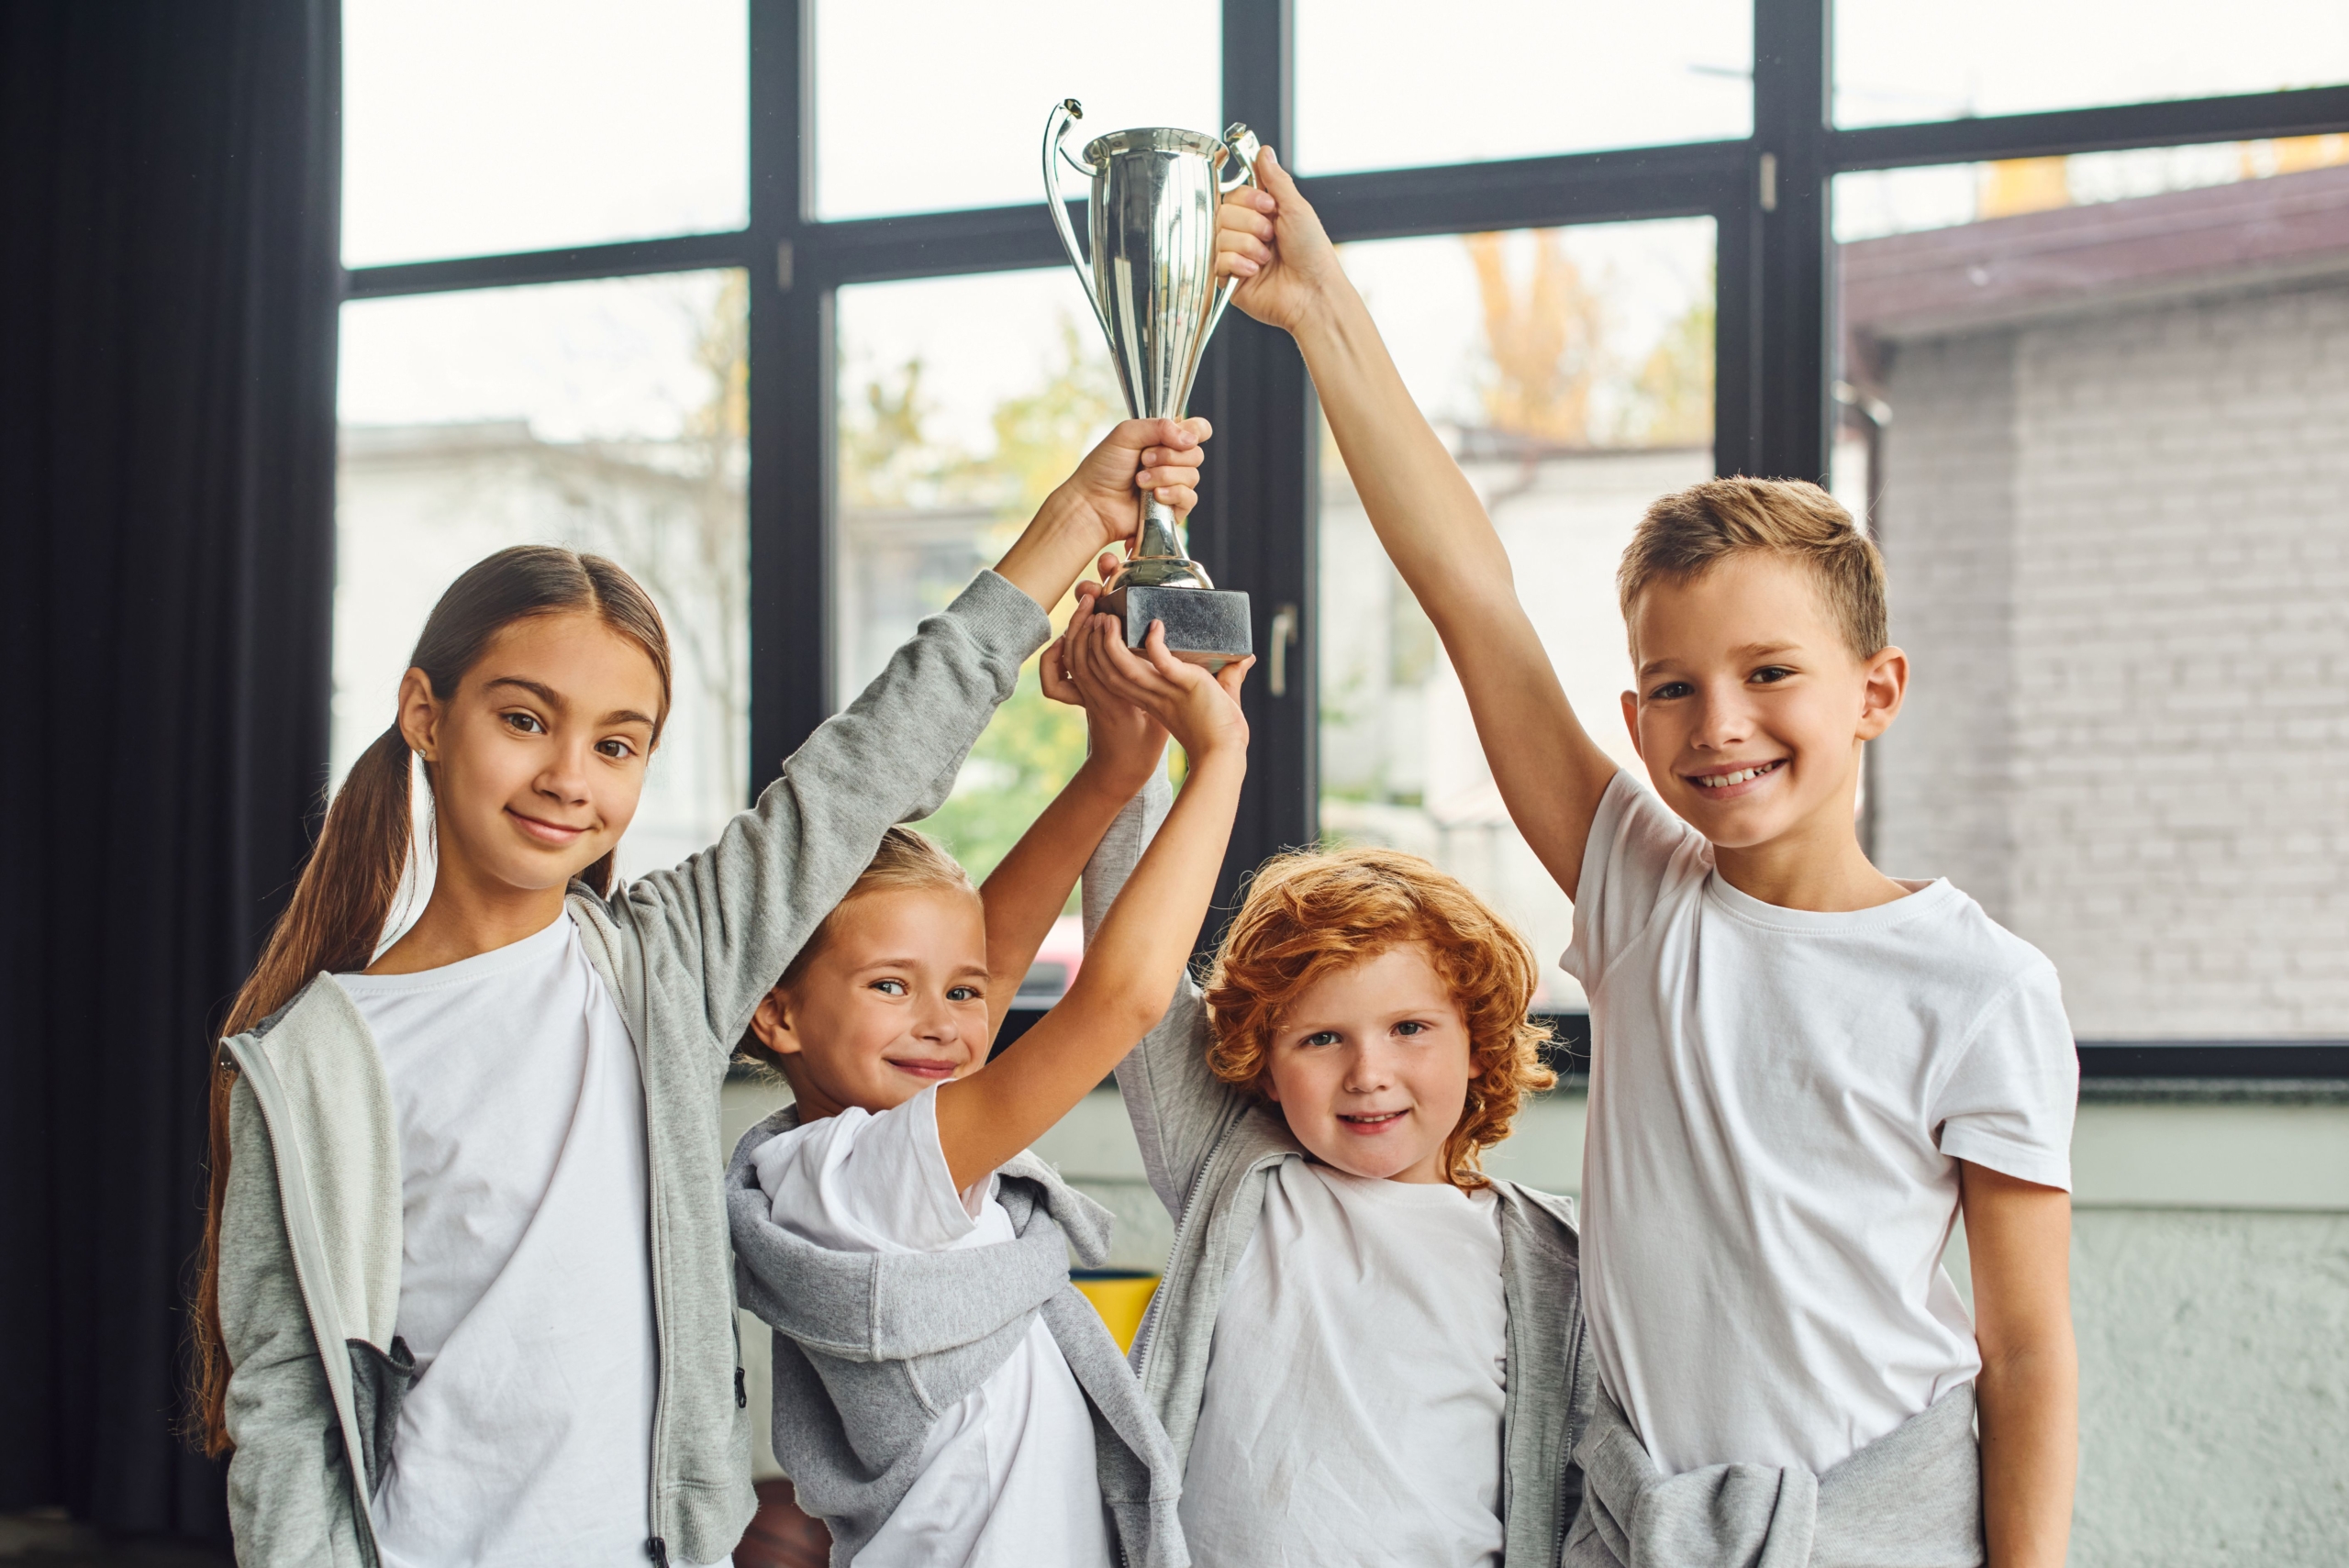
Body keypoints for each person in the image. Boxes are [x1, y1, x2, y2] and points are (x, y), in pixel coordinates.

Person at [1214, 150, 2080, 1567]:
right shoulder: (1640, 884)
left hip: (1875, 1528)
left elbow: (2027, 1349)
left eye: (1770, 673)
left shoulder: (1983, 988)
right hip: (1648, 1526)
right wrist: (1324, 313)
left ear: (1876, 690)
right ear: (1635, 718)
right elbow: (1471, 595)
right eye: (1675, 687)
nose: (1719, 722)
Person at [191, 417, 1209, 1568]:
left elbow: (865, 767)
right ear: (426, 713)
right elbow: (285, 1407)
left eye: (617, 744)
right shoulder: (310, 1063)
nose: (568, 775)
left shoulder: (663, 965)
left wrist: (1075, 518)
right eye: (524, 719)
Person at [1073, 574, 1591, 1568]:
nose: (1368, 1072)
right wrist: (1137, 725)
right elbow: (1131, 967)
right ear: (1264, 1066)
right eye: (1320, 1039)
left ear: (1478, 1040)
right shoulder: (1236, 1173)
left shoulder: (1550, 1258)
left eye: (1409, 1028)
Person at [725, 605, 1252, 1568]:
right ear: (778, 1013)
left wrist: (1114, 772)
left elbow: (990, 956)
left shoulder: (822, 1162)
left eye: (961, 992)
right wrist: (1219, 760)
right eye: (890, 985)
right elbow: (1122, 1000)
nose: (944, 1022)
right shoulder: (866, 1175)